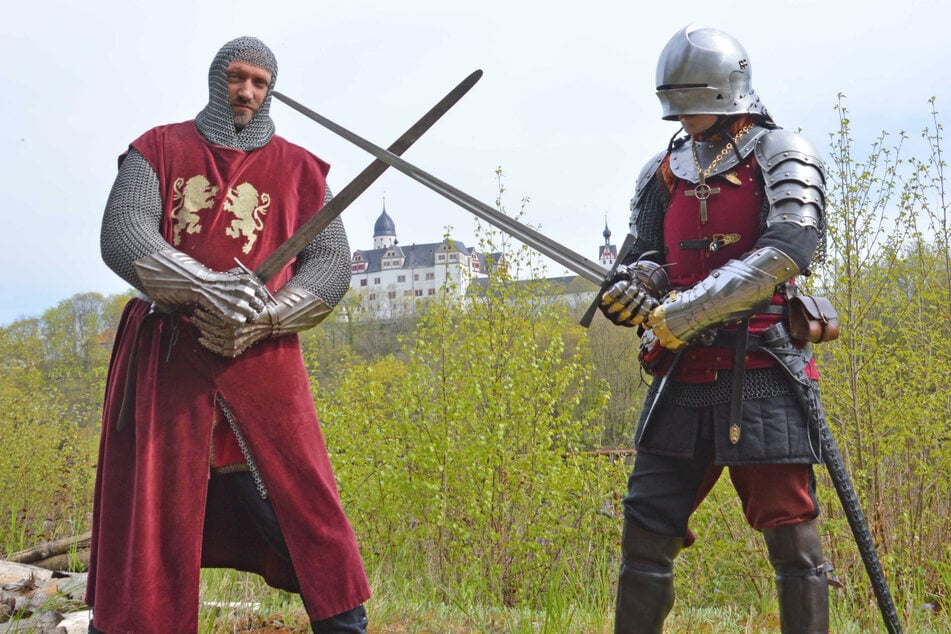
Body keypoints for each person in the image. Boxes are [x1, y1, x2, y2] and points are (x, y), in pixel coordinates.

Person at [86, 36, 370, 633]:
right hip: (168, 356)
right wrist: (205, 286)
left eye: (260, 83)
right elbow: (123, 236)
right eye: (238, 78)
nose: (247, 92)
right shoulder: (157, 150)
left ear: (271, 91)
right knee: (155, 507)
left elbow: (329, 267)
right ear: (218, 80)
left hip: (263, 360)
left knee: (299, 503)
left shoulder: (301, 168)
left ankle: (345, 624)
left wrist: (266, 317)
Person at [600, 25, 831, 633]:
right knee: (646, 534)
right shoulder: (664, 168)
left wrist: (686, 310)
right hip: (682, 373)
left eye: (696, 99)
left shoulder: (783, 152)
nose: (686, 114)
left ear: (729, 92)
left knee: (794, 544)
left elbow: (786, 250)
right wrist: (635, 289)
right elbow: (643, 256)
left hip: (763, 366)